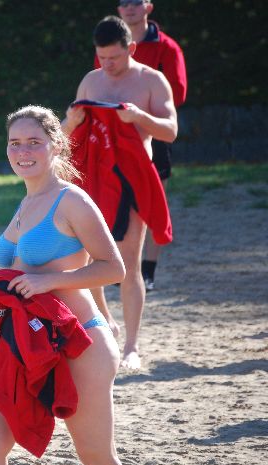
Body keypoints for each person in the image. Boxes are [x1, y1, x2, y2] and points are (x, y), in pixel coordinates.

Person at [0, 105, 131, 465]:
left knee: (97, 457)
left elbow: (113, 267)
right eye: (15, 143)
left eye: (34, 143)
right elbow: (26, 264)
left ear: (56, 146)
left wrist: (48, 282)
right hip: (28, 341)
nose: (23, 152)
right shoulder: (27, 202)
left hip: (79, 342)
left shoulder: (72, 200)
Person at [64, 16, 177, 369]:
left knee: (128, 264)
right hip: (92, 177)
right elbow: (67, 135)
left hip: (132, 178)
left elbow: (170, 130)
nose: (107, 65)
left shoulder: (151, 80)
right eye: (102, 57)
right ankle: (106, 321)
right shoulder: (91, 80)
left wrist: (140, 117)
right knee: (86, 259)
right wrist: (70, 121)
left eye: (114, 57)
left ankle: (131, 346)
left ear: (131, 48)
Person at [97, 0, 187, 291]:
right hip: (113, 136)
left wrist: (143, 105)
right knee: (112, 196)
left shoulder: (166, 47)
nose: (129, 7)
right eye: (123, 2)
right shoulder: (108, 46)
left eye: (136, 1)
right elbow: (101, 86)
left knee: (151, 199)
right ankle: (119, 265)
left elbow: (177, 95)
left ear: (148, 6)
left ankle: (146, 269)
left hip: (151, 132)